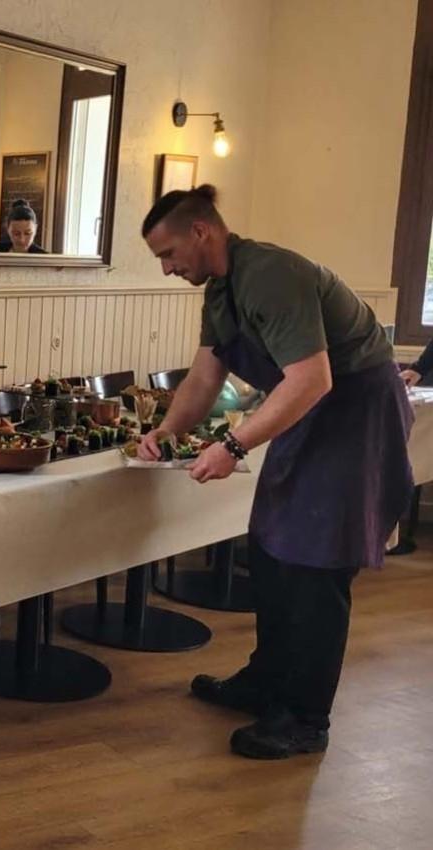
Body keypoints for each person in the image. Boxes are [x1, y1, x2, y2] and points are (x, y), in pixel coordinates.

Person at [138, 185, 413, 760]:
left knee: (316, 563)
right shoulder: (220, 291)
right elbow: (203, 380)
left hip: (353, 414)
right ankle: (267, 682)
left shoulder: (271, 274)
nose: (167, 269)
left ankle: (306, 719)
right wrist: (166, 432)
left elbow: (313, 380)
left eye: (168, 254)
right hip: (308, 414)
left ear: (201, 232)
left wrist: (232, 447)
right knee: (270, 546)